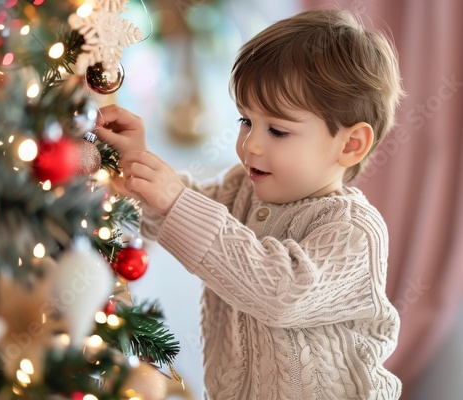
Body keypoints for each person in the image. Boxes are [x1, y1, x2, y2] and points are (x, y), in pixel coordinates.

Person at [95, 8, 405, 400]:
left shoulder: (354, 231)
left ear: (350, 144)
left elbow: (281, 292)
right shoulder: (242, 188)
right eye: (245, 121)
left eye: (277, 130)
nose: (251, 144)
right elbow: (178, 211)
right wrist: (138, 167)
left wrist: (175, 200)